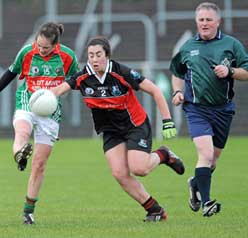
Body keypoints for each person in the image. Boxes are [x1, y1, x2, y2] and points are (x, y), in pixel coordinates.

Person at [51, 35, 185, 222]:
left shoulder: (121, 73)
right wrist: (41, 102)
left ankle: (164, 155)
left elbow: (155, 90)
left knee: (140, 169)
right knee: (120, 174)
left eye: (98, 54)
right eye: (91, 55)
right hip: (111, 131)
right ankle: (154, 210)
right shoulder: (82, 77)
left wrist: (167, 120)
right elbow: (56, 92)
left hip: (135, 125)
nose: (94, 59)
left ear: (107, 55)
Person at [0, 22, 79, 224]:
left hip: (51, 110)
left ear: (55, 45)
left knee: (39, 164)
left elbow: (77, 80)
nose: (41, 49)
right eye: (39, 45)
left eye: (45, 47)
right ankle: (20, 154)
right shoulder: (27, 52)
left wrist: (61, 91)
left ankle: (28, 211)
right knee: (21, 132)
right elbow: (11, 72)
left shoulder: (67, 56)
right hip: (27, 100)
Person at [170, 2, 248, 217]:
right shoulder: (187, 47)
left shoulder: (231, 44)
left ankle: (195, 184)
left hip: (223, 110)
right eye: (201, 20)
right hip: (196, 109)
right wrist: (177, 93)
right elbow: (177, 72)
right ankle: (207, 203)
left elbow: (246, 71)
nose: (204, 23)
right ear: (197, 22)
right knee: (205, 153)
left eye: (208, 20)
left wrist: (230, 70)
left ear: (217, 22)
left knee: (212, 161)